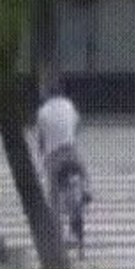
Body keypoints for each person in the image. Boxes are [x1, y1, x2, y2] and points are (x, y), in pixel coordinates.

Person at [35, 80, 91, 211]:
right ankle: (86, 189)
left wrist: (42, 154)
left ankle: (55, 222)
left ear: (47, 95)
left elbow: (40, 139)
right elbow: (78, 126)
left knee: (53, 191)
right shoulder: (68, 105)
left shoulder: (42, 112)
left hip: (54, 156)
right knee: (83, 171)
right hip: (70, 151)